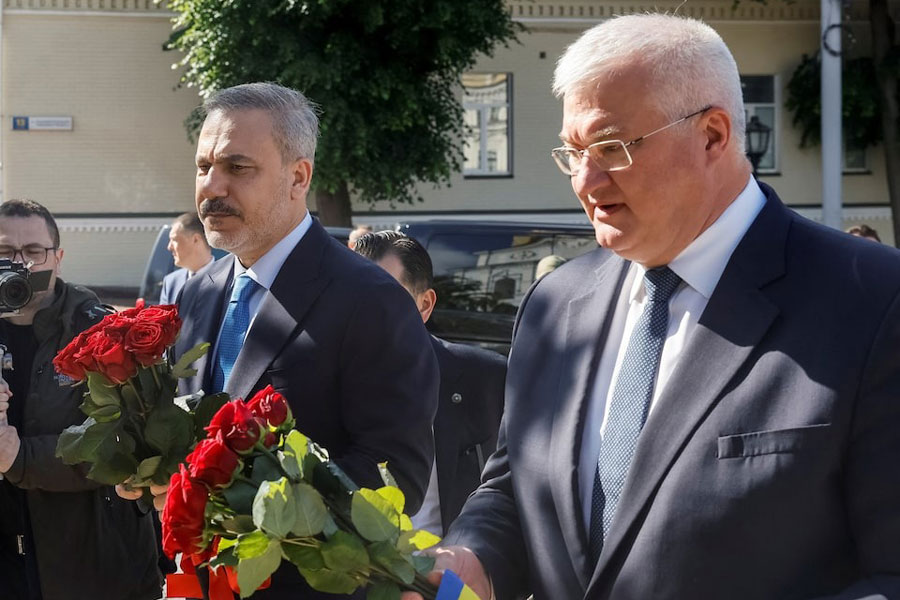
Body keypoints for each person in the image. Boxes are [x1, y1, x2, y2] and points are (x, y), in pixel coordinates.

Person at [407, 14, 900, 600]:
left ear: (712, 135)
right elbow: (517, 488)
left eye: (611, 148)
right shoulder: (554, 305)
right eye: (573, 152)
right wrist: (475, 560)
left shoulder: (873, 301)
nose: (586, 181)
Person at [125, 82, 439, 600]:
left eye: (237, 167)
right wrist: (151, 470)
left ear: (299, 177)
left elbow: (393, 475)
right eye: (204, 167)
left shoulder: (371, 300)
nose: (212, 187)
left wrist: (235, 505)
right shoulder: (198, 293)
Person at [0, 199, 161, 600]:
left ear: (58, 258)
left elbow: (128, 445)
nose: (19, 264)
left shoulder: (99, 332)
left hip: (91, 563)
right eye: (4, 251)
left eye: (33, 251)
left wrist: (20, 457)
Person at [353, 231, 506, 536]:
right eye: (353, 297)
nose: (366, 314)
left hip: (455, 560)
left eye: (385, 297)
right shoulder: (320, 378)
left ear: (425, 305)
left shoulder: (486, 379)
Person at [159, 212, 215, 304]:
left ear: (195, 239)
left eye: (174, 240)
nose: (169, 247)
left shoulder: (227, 280)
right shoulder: (171, 282)